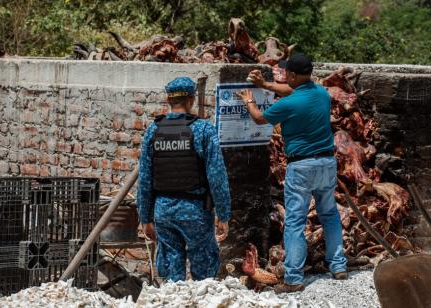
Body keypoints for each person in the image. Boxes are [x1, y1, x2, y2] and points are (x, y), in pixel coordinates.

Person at [238, 53, 347, 293]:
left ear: (294, 75)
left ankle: (294, 278)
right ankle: (338, 266)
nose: (285, 76)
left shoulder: (288, 104)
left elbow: (258, 119)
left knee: (295, 221)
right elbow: (292, 92)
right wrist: (265, 85)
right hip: (327, 163)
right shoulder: (321, 93)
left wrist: (248, 99)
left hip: (302, 166)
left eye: (287, 74)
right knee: (329, 214)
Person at [137, 77, 231, 281]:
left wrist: (145, 218)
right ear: (191, 99)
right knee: (204, 270)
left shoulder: (153, 130)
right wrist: (223, 214)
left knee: (171, 270)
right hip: (195, 211)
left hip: (163, 211)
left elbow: (145, 178)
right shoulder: (203, 129)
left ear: (168, 100)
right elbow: (217, 176)